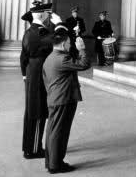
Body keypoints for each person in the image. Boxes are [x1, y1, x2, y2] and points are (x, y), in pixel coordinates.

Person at [43, 25, 91, 173]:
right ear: (64, 43)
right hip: (63, 99)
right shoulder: (63, 58)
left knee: (52, 131)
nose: (71, 45)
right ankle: (56, 165)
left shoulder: (49, 58)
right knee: (60, 133)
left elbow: (46, 81)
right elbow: (84, 64)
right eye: (70, 43)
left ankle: (51, 162)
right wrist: (82, 49)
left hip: (54, 98)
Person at [20, 3, 62, 159]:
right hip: (38, 75)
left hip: (32, 74)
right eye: (48, 14)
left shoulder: (29, 31)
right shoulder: (40, 32)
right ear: (42, 15)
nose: (49, 17)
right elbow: (58, 40)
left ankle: (29, 147)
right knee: (38, 111)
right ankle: (34, 150)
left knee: (32, 111)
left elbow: (23, 57)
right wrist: (59, 24)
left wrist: (25, 75)